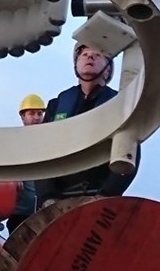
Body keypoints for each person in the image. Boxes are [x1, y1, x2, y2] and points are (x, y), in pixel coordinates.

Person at [35, 43, 141, 208]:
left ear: (107, 70)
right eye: (84, 54)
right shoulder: (57, 106)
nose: (89, 57)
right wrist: (47, 197)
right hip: (57, 202)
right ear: (75, 66)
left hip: (101, 199)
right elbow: (42, 151)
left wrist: (106, 195)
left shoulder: (121, 105)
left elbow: (129, 152)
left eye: (97, 55)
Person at [6, 94, 45, 233]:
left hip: (42, 212)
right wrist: (13, 177)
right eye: (32, 113)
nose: (36, 117)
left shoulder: (49, 141)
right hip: (19, 212)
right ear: (22, 117)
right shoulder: (14, 142)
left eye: (39, 113)